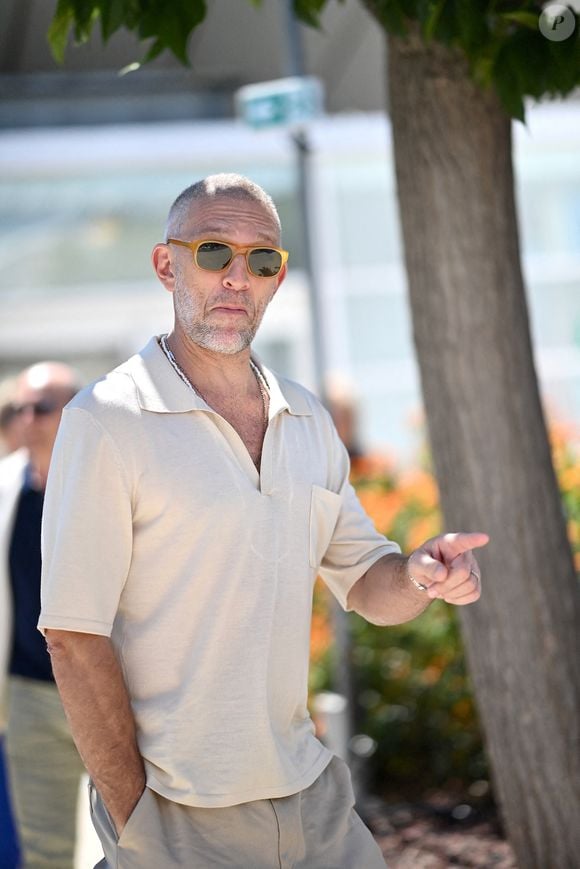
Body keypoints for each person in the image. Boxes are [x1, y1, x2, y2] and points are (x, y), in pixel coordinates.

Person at [39, 174, 488, 869]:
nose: (237, 278)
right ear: (168, 265)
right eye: (213, 251)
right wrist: (137, 821)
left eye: (262, 259)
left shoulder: (306, 416)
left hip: (311, 794)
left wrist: (423, 573)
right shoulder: (106, 420)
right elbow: (72, 635)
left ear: (279, 278)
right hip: (178, 813)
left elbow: (369, 580)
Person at [0, 362, 85, 868]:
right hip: (28, 693)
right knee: (42, 850)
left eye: (44, 406)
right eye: (19, 408)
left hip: (109, 689)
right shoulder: (3, 485)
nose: (29, 418)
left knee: (135, 840)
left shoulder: (110, 479)